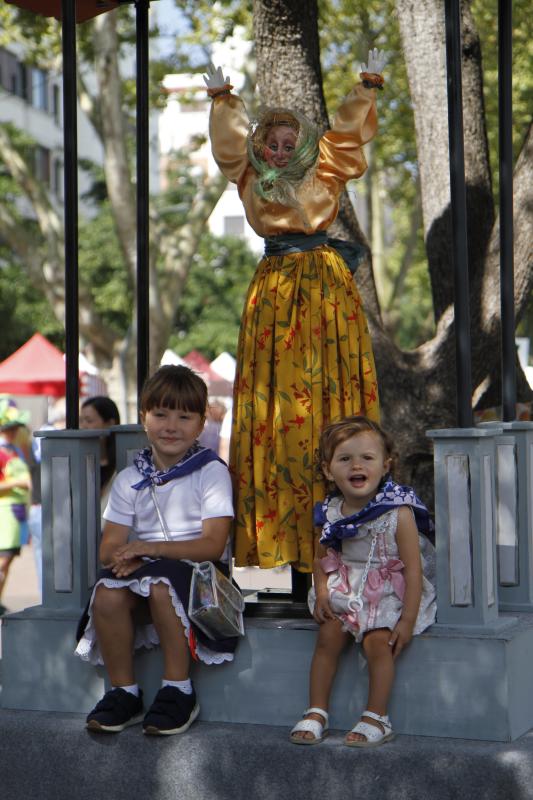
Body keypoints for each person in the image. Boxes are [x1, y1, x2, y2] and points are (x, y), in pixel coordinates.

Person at [204, 49, 385, 574]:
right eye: (271, 144)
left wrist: (366, 85)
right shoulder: (246, 177)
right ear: (260, 148)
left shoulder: (326, 172)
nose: (280, 152)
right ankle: (285, 546)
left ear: (303, 146)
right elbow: (230, 144)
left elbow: (348, 135)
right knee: (274, 411)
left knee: (330, 398)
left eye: (289, 144)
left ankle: (339, 542)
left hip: (327, 291)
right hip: (275, 294)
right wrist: (222, 100)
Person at [76, 365, 237, 735]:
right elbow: (109, 549)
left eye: (184, 416)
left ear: (200, 426)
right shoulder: (130, 478)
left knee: (162, 584)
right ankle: (124, 691)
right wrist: (125, 556)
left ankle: (178, 688)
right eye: (161, 414)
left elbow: (212, 546)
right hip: (148, 569)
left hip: (200, 573)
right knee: (107, 593)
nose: (171, 425)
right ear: (143, 419)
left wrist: (148, 548)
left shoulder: (210, 472)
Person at [290, 416, 436, 747]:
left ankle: (376, 716)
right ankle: (316, 711)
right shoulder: (330, 511)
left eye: (367, 458)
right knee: (328, 637)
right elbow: (321, 557)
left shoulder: (398, 513)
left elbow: (413, 568)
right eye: (344, 459)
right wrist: (323, 590)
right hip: (345, 586)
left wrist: (409, 619)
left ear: (386, 465)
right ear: (328, 470)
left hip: (386, 590)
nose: (356, 465)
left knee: (378, 643)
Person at [0, 398, 32, 616]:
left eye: (14, 428)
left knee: (7, 561)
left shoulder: (14, 450)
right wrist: (18, 483)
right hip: (4, 512)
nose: (12, 432)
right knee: (2, 561)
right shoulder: (3, 452)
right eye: (9, 428)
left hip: (16, 513)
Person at [80, 396, 120, 504]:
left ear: (110, 424)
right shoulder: (79, 464)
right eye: (81, 421)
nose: (83, 426)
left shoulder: (123, 466)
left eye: (89, 421)